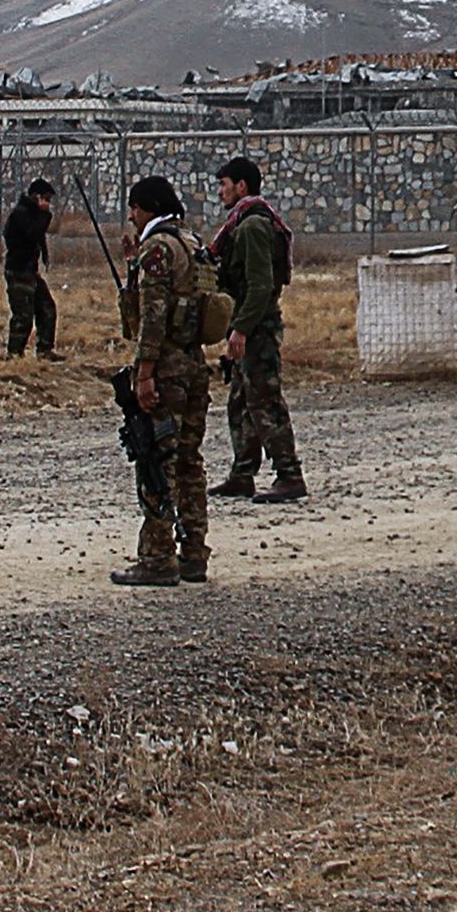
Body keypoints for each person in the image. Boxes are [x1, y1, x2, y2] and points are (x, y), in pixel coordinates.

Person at [112, 172, 212, 588]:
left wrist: (145, 373)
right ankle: (193, 553)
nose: (131, 217)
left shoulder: (158, 248)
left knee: (157, 459)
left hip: (167, 367)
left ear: (147, 207)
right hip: (194, 364)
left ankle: (157, 556)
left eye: (134, 209)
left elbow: (152, 317)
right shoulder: (192, 243)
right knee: (189, 461)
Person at [208, 155, 302, 502]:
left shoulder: (251, 226)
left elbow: (260, 286)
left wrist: (242, 329)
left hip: (257, 326)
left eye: (224, 184)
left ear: (241, 186)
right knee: (241, 400)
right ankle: (242, 473)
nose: (220, 192)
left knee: (264, 399)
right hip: (248, 322)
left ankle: (289, 474)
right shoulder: (244, 222)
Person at [2, 179, 59, 357]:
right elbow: (34, 234)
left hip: (30, 271)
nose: (48, 204)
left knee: (47, 309)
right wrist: (45, 216)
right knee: (23, 315)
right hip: (19, 271)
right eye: (46, 199)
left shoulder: (30, 213)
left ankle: (45, 350)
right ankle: (14, 353)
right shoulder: (21, 214)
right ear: (36, 197)